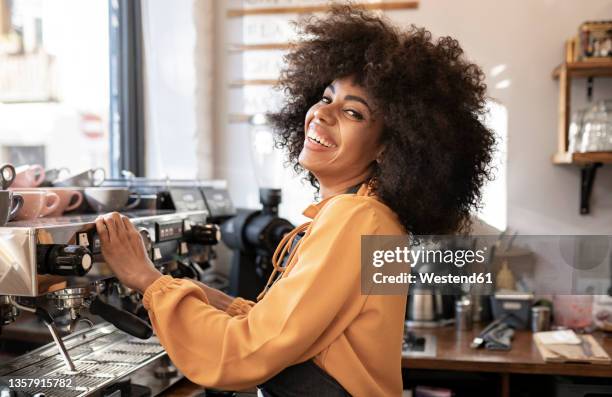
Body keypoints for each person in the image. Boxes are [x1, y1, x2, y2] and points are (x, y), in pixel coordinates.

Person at [95, 5, 495, 396]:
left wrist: (147, 281)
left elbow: (246, 353)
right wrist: (190, 292)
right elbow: (290, 332)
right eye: (326, 97)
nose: (322, 114)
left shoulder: (356, 219)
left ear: (389, 149)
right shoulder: (375, 218)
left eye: (353, 113)